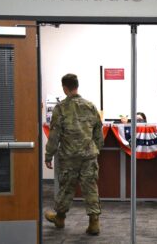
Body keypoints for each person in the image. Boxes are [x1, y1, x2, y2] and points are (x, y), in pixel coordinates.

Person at [44, 73, 103, 236]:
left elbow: (54, 135)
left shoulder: (61, 108)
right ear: (77, 86)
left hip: (69, 157)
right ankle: (94, 223)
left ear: (64, 88)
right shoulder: (90, 106)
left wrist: (48, 156)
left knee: (66, 188)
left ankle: (60, 218)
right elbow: (99, 132)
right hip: (88, 156)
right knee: (90, 188)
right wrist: (95, 150)